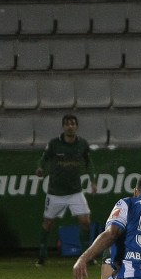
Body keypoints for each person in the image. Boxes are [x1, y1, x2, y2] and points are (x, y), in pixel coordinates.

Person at [35, 114, 97, 267]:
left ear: (76, 126)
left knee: (86, 222)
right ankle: (42, 256)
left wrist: (92, 180)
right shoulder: (54, 144)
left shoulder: (82, 144)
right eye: (67, 124)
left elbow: (88, 163)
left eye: (73, 124)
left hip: (75, 191)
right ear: (63, 126)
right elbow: (44, 158)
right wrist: (40, 167)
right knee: (48, 223)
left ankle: (86, 257)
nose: (70, 126)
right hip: (55, 192)